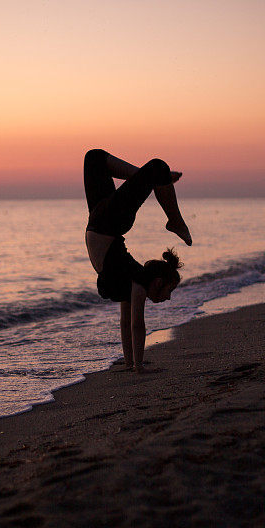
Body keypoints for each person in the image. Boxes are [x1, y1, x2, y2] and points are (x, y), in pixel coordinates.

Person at [83, 148, 193, 373]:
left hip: (98, 220)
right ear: (158, 282)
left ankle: (149, 178)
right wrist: (140, 366)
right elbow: (137, 326)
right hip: (108, 223)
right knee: (158, 167)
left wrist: (130, 363)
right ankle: (175, 220)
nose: (169, 297)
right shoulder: (140, 283)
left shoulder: (129, 282)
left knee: (94, 158)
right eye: (169, 290)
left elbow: (126, 324)